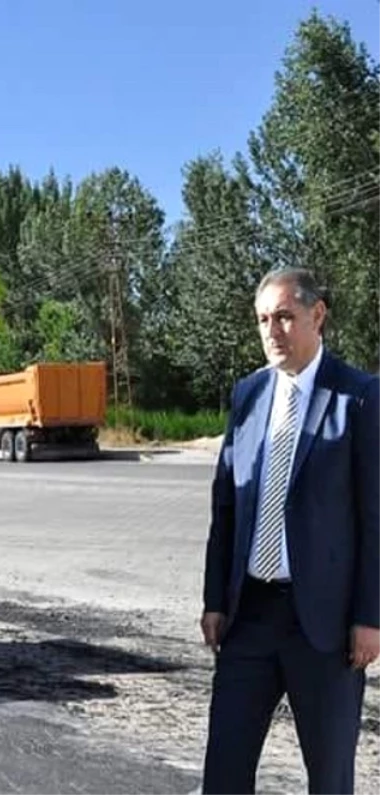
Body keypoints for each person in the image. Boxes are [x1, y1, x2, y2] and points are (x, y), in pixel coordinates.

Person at [199, 266, 380, 793]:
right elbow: (225, 506)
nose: (272, 331)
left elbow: (375, 518)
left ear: (317, 315)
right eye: (262, 320)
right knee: (224, 773)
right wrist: (215, 599)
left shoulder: (360, 397)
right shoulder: (249, 395)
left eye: (284, 317)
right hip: (248, 618)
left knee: (329, 778)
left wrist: (370, 617)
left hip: (323, 629)